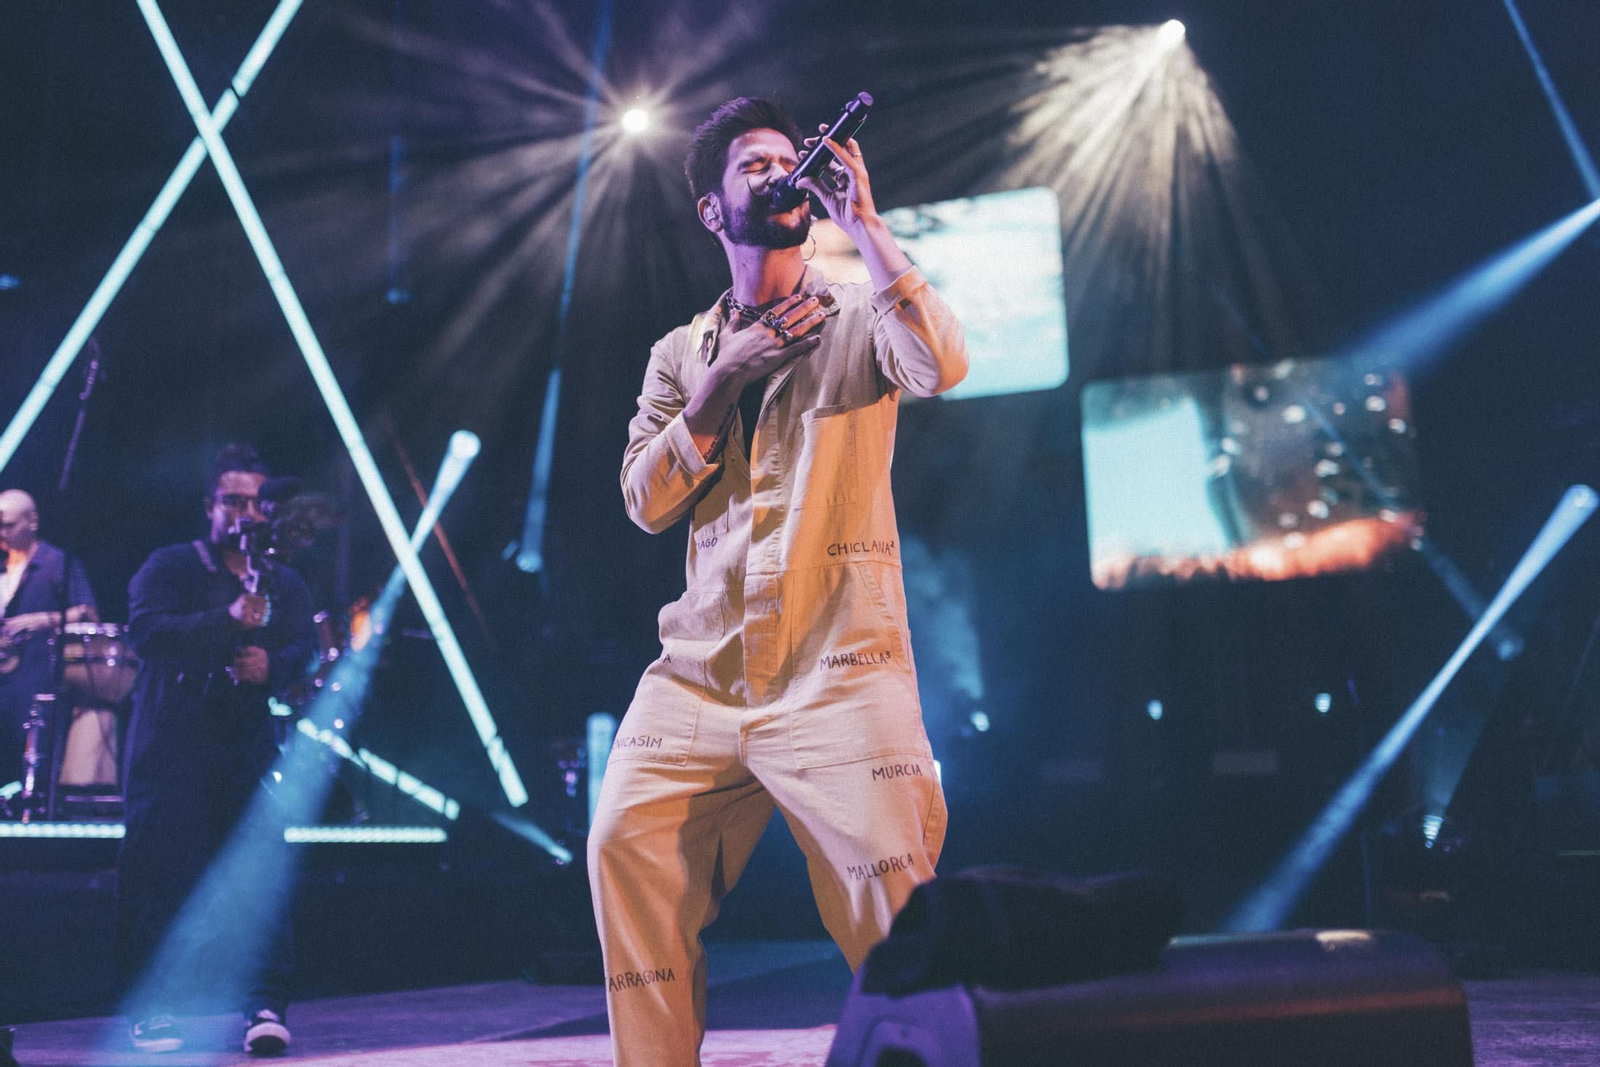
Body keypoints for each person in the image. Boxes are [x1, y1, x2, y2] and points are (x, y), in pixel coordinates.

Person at [587, 97, 968, 1066]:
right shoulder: (679, 355)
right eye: (754, 165)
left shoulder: (856, 316)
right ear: (713, 211)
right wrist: (724, 378)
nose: (781, 172)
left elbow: (940, 362)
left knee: (898, 907)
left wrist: (867, 224)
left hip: (838, 667)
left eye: (788, 159)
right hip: (699, 674)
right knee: (621, 843)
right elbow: (643, 499)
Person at [116, 445, 315, 1055]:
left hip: (245, 744)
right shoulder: (172, 565)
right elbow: (146, 631)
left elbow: (302, 648)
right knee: (164, 872)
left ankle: (264, 1003)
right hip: (172, 741)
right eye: (234, 500)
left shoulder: (282, 579)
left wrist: (270, 667)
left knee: (257, 873)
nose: (247, 512)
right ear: (210, 507)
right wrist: (225, 621)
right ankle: (155, 1011)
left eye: (257, 501)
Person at [0, 488, 98, 790]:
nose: (2, 533)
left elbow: (89, 614)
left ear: (33, 521)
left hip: (35, 686)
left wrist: (42, 620)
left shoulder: (57, 563)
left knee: (31, 768)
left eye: (8, 525)